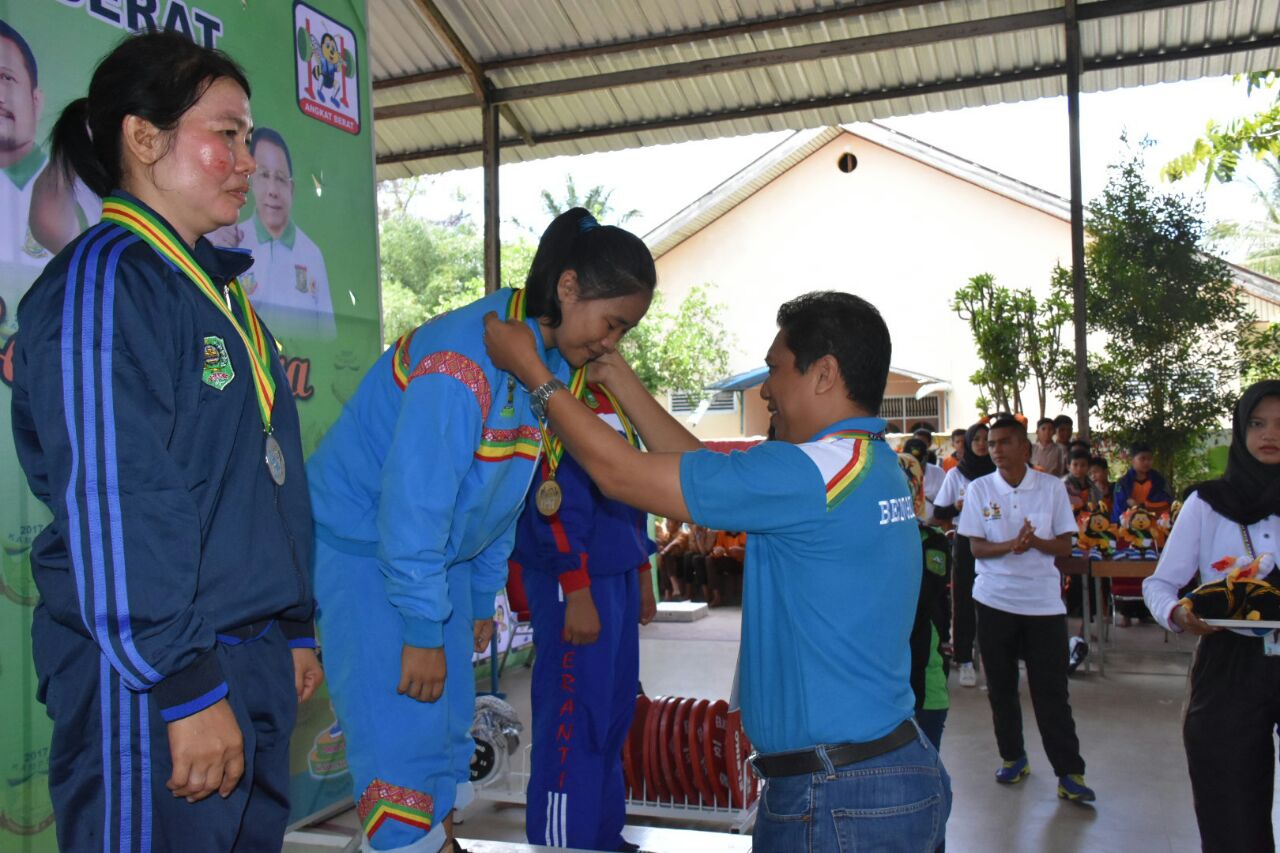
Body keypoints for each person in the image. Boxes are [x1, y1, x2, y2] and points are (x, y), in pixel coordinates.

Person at [484, 290, 951, 853]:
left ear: (824, 374)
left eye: (776, 369)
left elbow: (618, 474)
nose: (765, 389)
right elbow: (705, 473)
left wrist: (532, 371)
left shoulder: (812, 474)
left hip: (836, 798)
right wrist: (619, 380)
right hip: (880, 774)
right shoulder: (866, 465)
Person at [9, 31, 323, 851]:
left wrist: (291, 623)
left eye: (249, 138)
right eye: (227, 135)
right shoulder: (102, 286)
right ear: (143, 139)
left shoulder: (219, 294)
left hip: (243, 651)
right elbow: (121, 502)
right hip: (153, 676)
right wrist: (183, 685)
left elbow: (262, 479)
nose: (248, 161)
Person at [306, 207, 655, 853]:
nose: (613, 343)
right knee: (400, 735)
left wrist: (476, 598)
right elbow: (414, 507)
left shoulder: (533, 363)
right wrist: (419, 625)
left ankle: (437, 840)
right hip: (370, 555)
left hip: (440, 562)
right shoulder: (462, 358)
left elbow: (504, 492)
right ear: (570, 287)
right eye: (614, 323)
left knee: (445, 728)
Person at [511, 377, 656, 851]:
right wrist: (574, 588)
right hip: (573, 579)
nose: (610, 337)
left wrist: (642, 571)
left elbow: (633, 493)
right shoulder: (553, 398)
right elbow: (551, 501)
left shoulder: (610, 397)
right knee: (573, 719)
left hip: (614, 573)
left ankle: (599, 836)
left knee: (613, 714)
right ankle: (561, 843)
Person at [1143, 381, 1280, 852]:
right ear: (1241, 431)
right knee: (1232, 814)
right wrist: (1179, 615)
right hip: (1229, 665)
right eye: (1257, 424)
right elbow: (1159, 585)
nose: (1269, 435)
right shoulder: (1207, 503)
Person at [957, 417, 1094, 803]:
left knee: (1051, 690)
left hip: (1043, 604)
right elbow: (976, 549)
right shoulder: (980, 489)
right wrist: (1011, 547)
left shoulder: (1051, 488)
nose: (996, 449)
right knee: (1001, 687)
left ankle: (1070, 773)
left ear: (1025, 448)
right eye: (991, 443)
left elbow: (1065, 546)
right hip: (994, 600)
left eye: (1004, 442)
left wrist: (1036, 542)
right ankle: (1013, 757)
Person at [209, 127, 334, 338]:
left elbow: (328, 336)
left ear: (292, 189)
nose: (273, 191)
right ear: (251, 181)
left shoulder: (312, 253)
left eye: (281, 178)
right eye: (264, 175)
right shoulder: (229, 243)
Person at [933, 422, 994, 688]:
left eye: (987, 440)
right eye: (977, 439)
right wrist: (957, 506)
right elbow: (939, 512)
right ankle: (964, 658)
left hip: (997, 539)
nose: (981, 444)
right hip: (966, 540)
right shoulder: (957, 474)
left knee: (994, 601)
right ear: (968, 443)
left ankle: (995, 659)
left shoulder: (1000, 474)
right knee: (964, 600)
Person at [1111, 442, 1172, 523]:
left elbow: (1166, 502)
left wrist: (1142, 506)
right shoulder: (1122, 483)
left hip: (1154, 523)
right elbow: (1119, 506)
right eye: (1142, 459)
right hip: (1127, 524)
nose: (1146, 462)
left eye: (1149, 459)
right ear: (1132, 460)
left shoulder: (1159, 480)